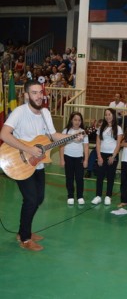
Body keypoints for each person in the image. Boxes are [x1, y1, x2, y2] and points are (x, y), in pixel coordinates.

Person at [0, 80, 70, 251]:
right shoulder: (19, 112)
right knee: (31, 199)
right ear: (26, 95)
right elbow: (4, 134)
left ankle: (24, 231)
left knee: (38, 199)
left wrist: (73, 136)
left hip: (38, 164)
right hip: (20, 163)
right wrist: (28, 149)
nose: (39, 96)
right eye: (34, 92)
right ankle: (25, 239)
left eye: (40, 92)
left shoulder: (45, 113)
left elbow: (53, 136)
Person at [91, 108, 123, 206]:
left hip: (112, 155)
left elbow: (118, 144)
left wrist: (113, 156)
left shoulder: (118, 128)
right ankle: (98, 196)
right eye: (106, 114)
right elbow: (98, 142)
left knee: (110, 176)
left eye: (109, 114)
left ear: (113, 115)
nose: (107, 116)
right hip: (102, 154)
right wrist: (99, 156)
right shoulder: (101, 128)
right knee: (100, 176)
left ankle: (108, 196)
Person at [59, 112, 89, 205]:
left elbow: (86, 147)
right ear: (71, 120)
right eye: (75, 119)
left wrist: (86, 160)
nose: (77, 122)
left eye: (79, 120)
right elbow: (61, 146)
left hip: (79, 158)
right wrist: (62, 159)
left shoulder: (83, 132)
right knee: (69, 178)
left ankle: (80, 196)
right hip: (68, 157)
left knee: (79, 178)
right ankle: (70, 196)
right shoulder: (66, 131)